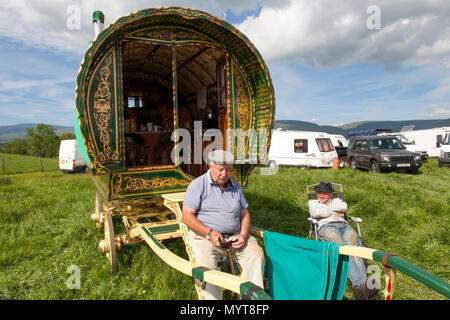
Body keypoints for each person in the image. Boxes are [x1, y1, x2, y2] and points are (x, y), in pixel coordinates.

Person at [181, 150, 265, 300]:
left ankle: (253, 300)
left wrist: (243, 235)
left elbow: (244, 214)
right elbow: (187, 216)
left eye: (228, 169)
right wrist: (209, 232)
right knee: (207, 270)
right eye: (220, 169)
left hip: (234, 236)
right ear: (209, 166)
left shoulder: (236, 187)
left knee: (256, 255)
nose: (225, 174)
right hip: (205, 238)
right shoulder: (197, 185)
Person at [308, 182, 379, 300]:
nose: (320, 196)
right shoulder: (313, 202)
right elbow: (315, 213)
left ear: (330, 194)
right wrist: (335, 212)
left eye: (324, 193)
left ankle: (360, 287)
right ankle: (362, 284)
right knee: (342, 246)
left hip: (344, 225)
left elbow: (344, 208)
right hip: (326, 227)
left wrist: (325, 210)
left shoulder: (337, 201)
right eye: (319, 193)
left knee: (353, 243)